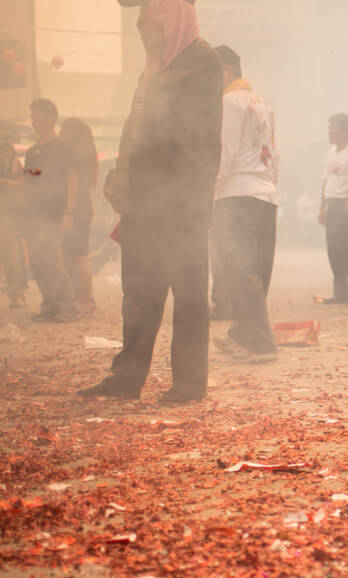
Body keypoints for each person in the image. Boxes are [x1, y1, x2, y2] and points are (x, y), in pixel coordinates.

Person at [78, 0, 222, 403]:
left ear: (169, 22)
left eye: (149, 24)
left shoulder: (199, 61)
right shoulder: (153, 66)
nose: (143, 32)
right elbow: (137, 126)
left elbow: (184, 134)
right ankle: (127, 378)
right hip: (144, 201)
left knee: (189, 296)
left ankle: (189, 384)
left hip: (182, 203)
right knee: (139, 292)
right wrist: (122, 174)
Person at [209, 45, 279, 363]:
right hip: (264, 193)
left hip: (237, 193)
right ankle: (242, 334)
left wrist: (210, 189)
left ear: (224, 71)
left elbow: (224, 152)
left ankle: (261, 344)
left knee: (241, 269)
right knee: (257, 269)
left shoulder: (227, 102)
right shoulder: (262, 102)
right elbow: (274, 153)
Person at [21, 99, 77, 322]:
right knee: (36, 260)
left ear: (50, 117)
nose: (33, 120)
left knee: (52, 259)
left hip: (54, 213)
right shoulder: (33, 151)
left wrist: (69, 212)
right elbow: (32, 177)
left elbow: (71, 179)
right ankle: (49, 303)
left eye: (36, 115)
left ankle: (67, 305)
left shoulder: (62, 148)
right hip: (33, 214)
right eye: (31, 115)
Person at [318, 112, 348, 305]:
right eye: (329, 127)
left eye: (333, 127)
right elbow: (325, 179)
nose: (330, 131)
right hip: (332, 204)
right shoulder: (331, 152)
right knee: (335, 250)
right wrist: (322, 207)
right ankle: (340, 291)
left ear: (345, 131)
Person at [59, 117, 99, 316]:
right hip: (80, 210)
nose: (60, 134)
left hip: (76, 210)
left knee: (78, 256)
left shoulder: (72, 157)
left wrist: (68, 212)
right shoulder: (86, 155)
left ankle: (85, 301)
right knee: (76, 256)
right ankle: (84, 298)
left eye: (63, 131)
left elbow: (71, 183)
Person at [0, 139, 27, 310]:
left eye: (6, 150)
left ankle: (16, 294)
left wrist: (10, 184)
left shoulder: (17, 166)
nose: (4, 154)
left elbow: (36, 173)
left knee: (12, 256)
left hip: (9, 216)